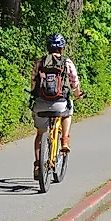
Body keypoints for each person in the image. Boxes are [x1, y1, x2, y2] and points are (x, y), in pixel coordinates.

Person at [30, 33, 83, 179]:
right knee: (69, 110)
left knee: (40, 134)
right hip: (60, 103)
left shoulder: (40, 62)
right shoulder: (67, 62)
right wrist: (78, 94)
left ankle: (37, 166)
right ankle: (65, 138)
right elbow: (74, 82)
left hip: (40, 104)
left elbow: (33, 83)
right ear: (62, 48)